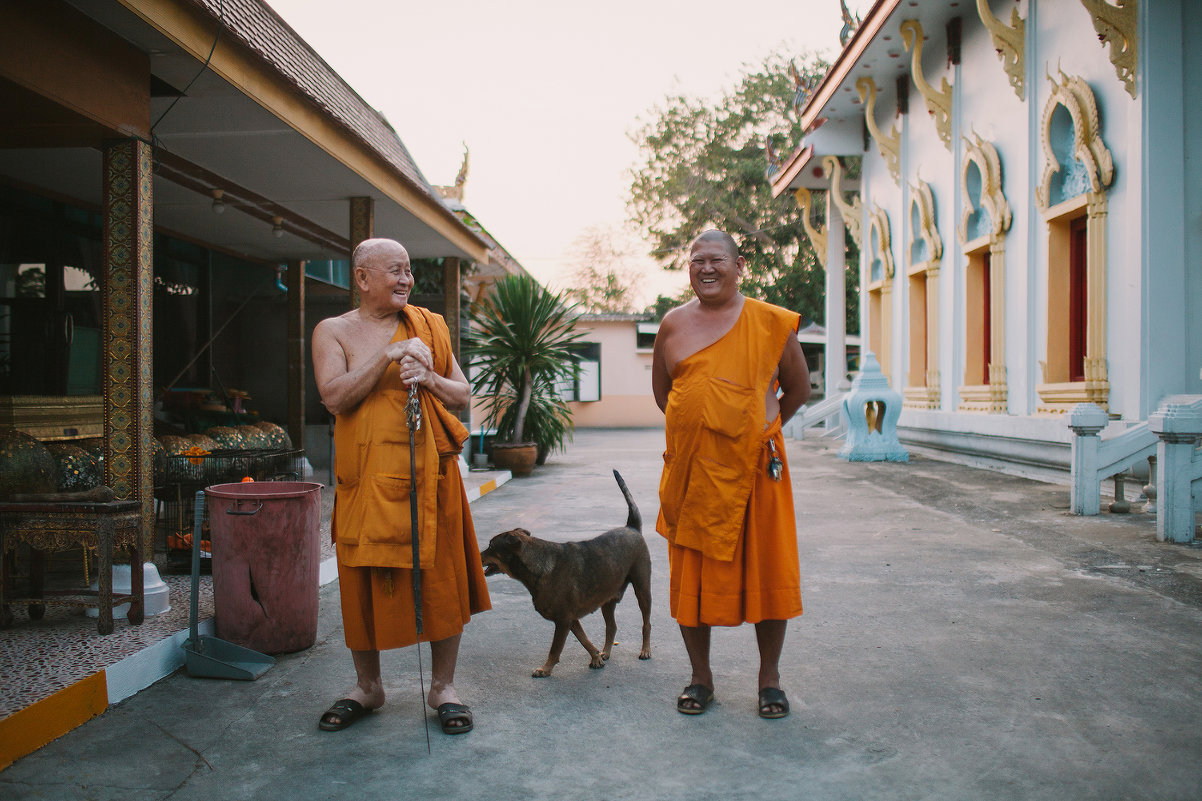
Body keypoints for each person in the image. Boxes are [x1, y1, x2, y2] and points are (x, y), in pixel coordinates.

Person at [311, 237, 490, 734]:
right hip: (365, 482)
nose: (406, 279)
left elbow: (461, 393)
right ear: (363, 278)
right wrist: (387, 357)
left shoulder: (428, 326)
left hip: (429, 478)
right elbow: (333, 397)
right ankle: (369, 686)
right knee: (362, 582)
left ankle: (443, 687)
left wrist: (428, 376)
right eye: (395, 270)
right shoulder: (333, 331)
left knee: (441, 581)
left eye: (409, 270)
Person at [651, 229, 811, 719]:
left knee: (769, 571)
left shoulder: (769, 324)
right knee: (692, 580)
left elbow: (798, 390)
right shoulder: (673, 325)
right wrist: (702, 429)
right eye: (697, 260)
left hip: (756, 472)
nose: (706, 269)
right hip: (693, 475)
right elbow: (666, 395)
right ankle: (701, 678)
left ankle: (770, 680)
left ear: (739, 265)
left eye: (716, 260)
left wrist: (750, 430)